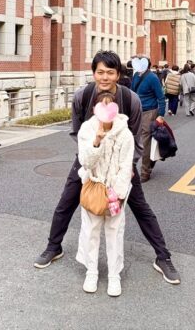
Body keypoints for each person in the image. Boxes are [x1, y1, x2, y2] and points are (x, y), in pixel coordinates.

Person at [33, 51, 180, 285]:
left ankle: (163, 257)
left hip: (122, 164)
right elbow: (76, 132)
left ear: (118, 75)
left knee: (141, 208)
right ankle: (53, 246)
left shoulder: (130, 99)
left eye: (110, 72)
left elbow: (136, 137)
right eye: (100, 72)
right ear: (93, 73)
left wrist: (128, 167)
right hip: (89, 160)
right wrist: (91, 154)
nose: (105, 77)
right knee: (66, 203)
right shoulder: (83, 96)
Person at [76, 91, 134, 296]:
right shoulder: (87, 129)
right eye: (102, 106)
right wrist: (97, 141)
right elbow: (85, 162)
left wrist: (118, 193)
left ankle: (114, 275)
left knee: (115, 232)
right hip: (93, 187)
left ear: (116, 110)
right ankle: (91, 271)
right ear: (95, 109)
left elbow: (126, 166)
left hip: (114, 191)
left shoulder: (125, 134)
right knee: (90, 231)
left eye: (110, 106)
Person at [131, 56, 166, 183]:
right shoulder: (136, 76)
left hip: (149, 112)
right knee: (133, 141)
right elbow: (132, 93)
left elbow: (160, 97)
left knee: (145, 143)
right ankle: (136, 167)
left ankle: (145, 171)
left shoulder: (152, 78)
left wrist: (161, 115)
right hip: (136, 112)